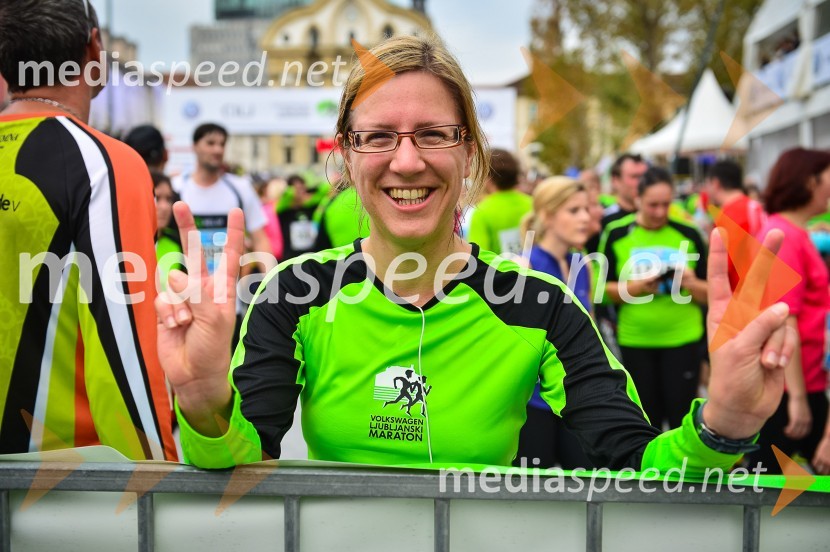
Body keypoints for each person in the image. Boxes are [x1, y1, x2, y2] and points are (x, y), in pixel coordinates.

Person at [156, 34, 794, 471]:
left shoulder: (540, 306)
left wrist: (724, 426)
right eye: (378, 137)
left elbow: (636, 463)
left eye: (434, 134)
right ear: (347, 155)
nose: (408, 160)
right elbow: (246, 470)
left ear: (469, 153)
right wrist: (206, 405)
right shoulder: (295, 292)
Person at [0, 0, 176, 459]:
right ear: (94, 46)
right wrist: (155, 478)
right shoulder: (101, 164)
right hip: (56, 474)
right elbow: (123, 344)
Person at [599, 167, 708, 431]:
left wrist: (689, 282)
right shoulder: (615, 233)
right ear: (637, 199)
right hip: (636, 340)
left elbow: (712, 293)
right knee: (645, 421)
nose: (660, 212)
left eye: (666, 204)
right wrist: (637, 287)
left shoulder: (688, 233)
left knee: (682, 419)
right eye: (653, 205)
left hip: (682, 338)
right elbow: (600, 291)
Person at [747, 148, 830, 476]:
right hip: (794, 382)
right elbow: (785, 317)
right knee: (767, 479)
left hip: (804, 377)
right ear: (810, 182)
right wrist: (797, 396)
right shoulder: (784, 236)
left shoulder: (796, 233)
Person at [514, 176, 594, 469]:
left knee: (586, 484)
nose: (585, 218)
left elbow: (591, 334)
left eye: (587, 209)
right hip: (533, 404)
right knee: (531, 491)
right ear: (547, 216)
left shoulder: (583, 265)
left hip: (577, 401)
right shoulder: (523, 267)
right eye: (574, 211)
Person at [705, 159, 766, 290]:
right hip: (764, 287)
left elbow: (722, 267)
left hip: (741, 291)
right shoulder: (756, 206)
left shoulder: (729, 215)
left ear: (715, 183)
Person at [467, 149, 532, 256]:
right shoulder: (532, 204)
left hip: (499, 267)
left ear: (488, 178)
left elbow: (478, 257)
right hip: (535, 266)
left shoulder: (481, 212)